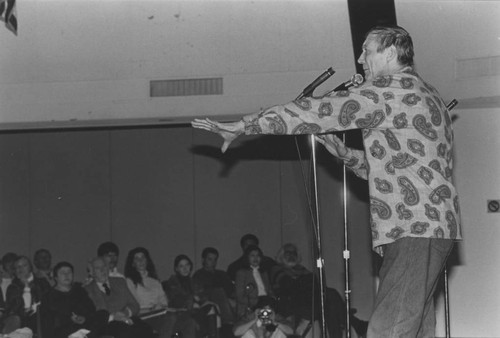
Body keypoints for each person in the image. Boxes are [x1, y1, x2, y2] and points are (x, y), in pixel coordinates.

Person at [192, 25, 461, 337]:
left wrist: (245, 125)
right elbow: (401, 169)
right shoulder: (427, 94)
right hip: (433, 228)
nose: (361, 59)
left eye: (367, 51)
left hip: (413, 229)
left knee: (387, 329)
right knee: (415, 327)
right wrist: (346, 154)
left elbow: (317, 111)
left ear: (390, 53)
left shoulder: (389, 90)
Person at [271, 243, 367, 338]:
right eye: (288, 253)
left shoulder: (302, 269)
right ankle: (355, 323)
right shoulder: (277, 269)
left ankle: (347, 325)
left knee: (330, 304)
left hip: (309, 301)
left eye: (294, 253)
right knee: (329, 297)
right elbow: (289, 286)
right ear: (281, 255)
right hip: (291, 303)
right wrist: (306, 282)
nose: (291, 256)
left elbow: (315, 284)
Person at [84, 256, 154, 338]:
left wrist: (125, 313)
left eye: (104, 266)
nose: (102, 270)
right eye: (98, 268)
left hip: (127, 318)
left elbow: (135, 305)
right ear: (92, 273)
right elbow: (94, 317)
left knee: (146, 329)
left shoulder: (120, 282)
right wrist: (113, 317)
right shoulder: (87, 290)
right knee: (124, 331)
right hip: (107, 324)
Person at [41, 261, 108, 338]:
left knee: (103, 313)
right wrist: (70, 319)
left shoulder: (79, 291)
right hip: (65, 329)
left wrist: (84, 318)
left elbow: (91, 309)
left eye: (69, 272)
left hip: (84, 325)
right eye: (63, 272)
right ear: (56, 277)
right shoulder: (49, 296)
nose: (67, 275)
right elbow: (48, 321)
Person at [163, 254, 219, 338]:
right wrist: (192, 299)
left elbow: (202, 297)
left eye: (187, 265)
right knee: (198, 317)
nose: (185, 268)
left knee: (211, 307)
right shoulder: (171, 283)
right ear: (176, 269)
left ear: (190, 266)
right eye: (181, 266)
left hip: (195, 310)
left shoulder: (194, 282)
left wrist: (203, 301)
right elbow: (175, 301)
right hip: (180, 312)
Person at [124, 247, 170, 338]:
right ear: (133, 263)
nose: (141, 261)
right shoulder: (129, 281)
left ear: (147, 260)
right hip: (142, 316)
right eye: (137, 258)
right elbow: (134, 305)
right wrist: (151, 309)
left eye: (143, 257)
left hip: (158, 313)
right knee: (169, 319)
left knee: (188, 321)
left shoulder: (155, 281)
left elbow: (164, 301)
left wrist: (159, 308)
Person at [4, 256, 51, 335]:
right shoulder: (12, 287)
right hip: (22, 323)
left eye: (24, 265)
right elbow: (15, 309)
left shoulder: (42, 283)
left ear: (30, 268)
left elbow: (49, 302)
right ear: (14, 271)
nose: (21, 269)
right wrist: (26, 287)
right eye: (18, 267)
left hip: (42, 319)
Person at [193, 247, 235, 335]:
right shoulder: (198, 275)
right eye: (210, 259)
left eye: (215, 259)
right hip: (209, 301)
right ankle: (228, 325)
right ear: (203, 259)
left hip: (226, 301)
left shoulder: (222, 274)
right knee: (218, 291)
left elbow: (231, 290)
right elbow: (199, 293)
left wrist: (231, 298)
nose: (213, 262)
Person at [235, 245, 274, 321]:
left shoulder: (263, 273)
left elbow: (269, 290)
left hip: (266, 302)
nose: (256, 258)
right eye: (252, 256)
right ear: (247, 257)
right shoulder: (242, 273)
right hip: (250, 305)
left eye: (258, 256)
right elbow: (240, 297)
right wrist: (256, 301)